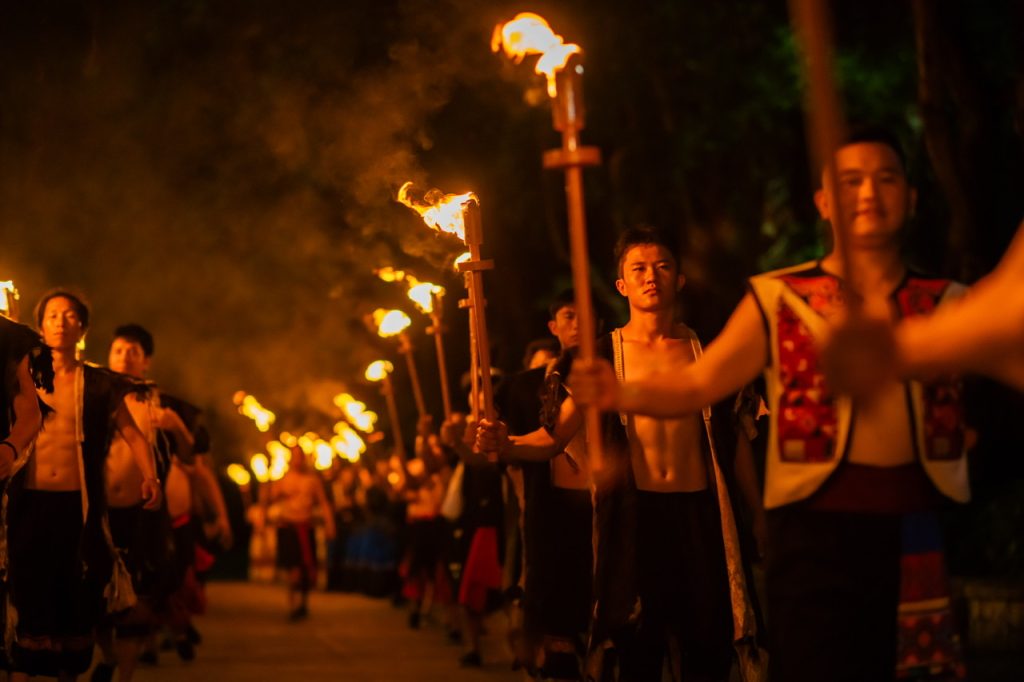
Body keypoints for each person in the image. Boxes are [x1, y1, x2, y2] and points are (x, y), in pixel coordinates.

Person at [571, 128, 972, 682]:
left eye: (886, 179)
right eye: (850, 181)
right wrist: (618, 392)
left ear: (912, 197)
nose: (867, 194)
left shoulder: (952, 305)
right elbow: (697, 387)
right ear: (825, 202)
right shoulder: (779, 300)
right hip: (812, 543)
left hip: (914, 537)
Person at [481, 229, 759, 682]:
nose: (652, 277)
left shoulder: (705, 353)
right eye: (639, 269)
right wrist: (505, 442)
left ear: (680, 279)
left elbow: (736, 439)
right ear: (621, 286)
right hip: (636, 518)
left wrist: (759, 516)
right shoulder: (602, 359)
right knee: (635, 649)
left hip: (701, 515)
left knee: (708, 646)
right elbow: (553, 438)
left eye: (663, 267)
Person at [3, 291, 161, 682]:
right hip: (30, 505)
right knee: (32, 598)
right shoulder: (24, 374)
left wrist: (151, 477)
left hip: (79, 508)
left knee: (76, 598)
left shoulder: (98, 384)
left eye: (70, 315)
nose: (60, 321)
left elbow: (134, 435)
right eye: (53, 315)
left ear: (83, 328)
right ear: (41, 326)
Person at [92, 324, 197, 682]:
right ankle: (106, 656)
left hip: (143, 516)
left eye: (133, 351)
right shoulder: (91, 395)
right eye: (119, 349)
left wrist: (176, 427)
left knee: (138, 600)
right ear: (108, 354)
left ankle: (126, 675)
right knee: (96, 597)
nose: (124, 356)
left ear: (146, 361)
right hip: (99, 513)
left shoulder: (162, 405)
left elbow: (191, 459)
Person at [269, 444, 335, 620]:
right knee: (294, 571)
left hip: (306, 527)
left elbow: (323, 503)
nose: (298, 459)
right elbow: (269, 498)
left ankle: (303, 603)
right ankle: (293, 604)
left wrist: (330, 524)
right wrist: (278, 491)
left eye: (300, 456)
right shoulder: (282, 479)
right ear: (290, 458)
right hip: (288, 529)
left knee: (306, 570)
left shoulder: (312, 481)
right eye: (295, 456)